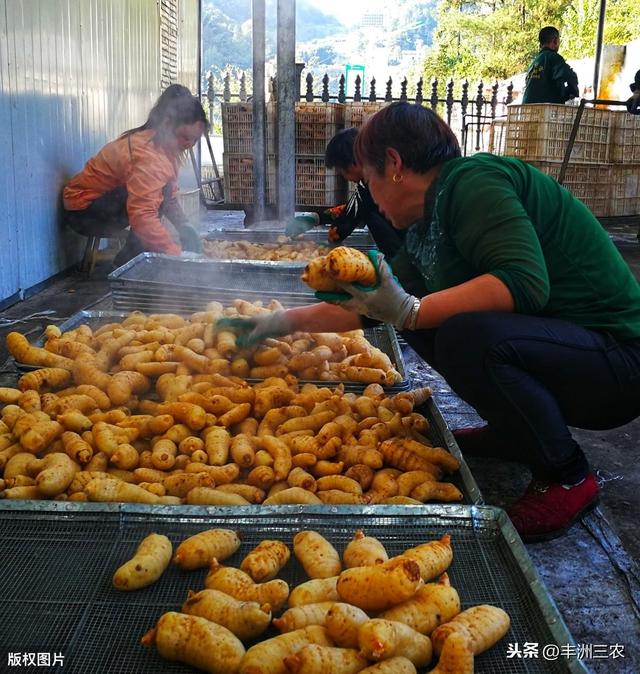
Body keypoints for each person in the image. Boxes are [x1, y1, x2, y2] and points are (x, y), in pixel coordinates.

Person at [221, 102, 640, 544]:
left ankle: (568, 475)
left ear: (396, 165)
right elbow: (370, 306)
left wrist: (411, 310)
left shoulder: (474, 181)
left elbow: (523, 283)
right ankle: (517, 433)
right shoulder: (425, 228)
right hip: (569, 358)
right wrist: (277, 323)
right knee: (422, 320)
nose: (373, 201)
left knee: (461, 333)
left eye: (369, 182)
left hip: (617, 364)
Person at [63, 84, 206, 267]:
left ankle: (134, 258)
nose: (189, 145)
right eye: (185, 138)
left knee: (158, 194)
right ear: (167, 125)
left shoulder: (164, 147)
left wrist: (185, 225)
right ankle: (129, 264)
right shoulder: (148, 152)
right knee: (152, 199)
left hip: (101, 206)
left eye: (195, 140)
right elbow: (143, 215)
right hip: (82, 212)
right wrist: (175, 253)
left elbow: (168, 197)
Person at [285, 128, 406, 260]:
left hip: (403, 251)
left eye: (341, 170)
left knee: (369, 215)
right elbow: (351, 208)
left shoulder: (371, 183)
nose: (343, 176)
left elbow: (344, 224)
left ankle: (394, 263)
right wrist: (316, 218)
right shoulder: (381, 172)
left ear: (353, 163)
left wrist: (323, 246)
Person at [522, 26, 579, 104]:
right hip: (546, 110)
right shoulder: (554, 58)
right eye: (559, 40)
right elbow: (571, 76)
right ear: (555, 41)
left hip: (527, 109)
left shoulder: (534, 62)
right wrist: (573, 93)